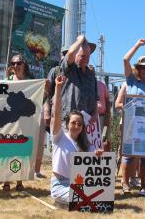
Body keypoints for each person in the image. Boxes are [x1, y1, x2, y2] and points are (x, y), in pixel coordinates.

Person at [50, 74, 103, 207]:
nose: (77, 126)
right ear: (67, 124)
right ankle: (62, 201)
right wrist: (57, 87)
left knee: (97, 196)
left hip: (78, 184)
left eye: (79, 124)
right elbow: (56, 114)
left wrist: (99, 155)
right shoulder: (59, 137)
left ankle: (69, 203)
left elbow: (97, 161)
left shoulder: (86, 145)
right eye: (73, 123)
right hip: (60, 184)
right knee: (84, 198)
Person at [117, 39, 145, 196]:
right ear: (138, 68)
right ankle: (125, 183)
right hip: (131, 124)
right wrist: (137, 45)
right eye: (142, 68)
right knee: (128, 154)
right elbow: (125, 59)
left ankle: (143, 186)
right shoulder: (131, 81)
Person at [2, 54, 32, 191]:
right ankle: (6, 180)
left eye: (19, 63)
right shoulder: (7, 80)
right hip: (9, 121)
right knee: (7, 151)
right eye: (13, 63)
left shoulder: (31, 81)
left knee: (21, 151)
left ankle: (19, 181)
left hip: (25, 121)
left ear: (24, 65)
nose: (16, 66)